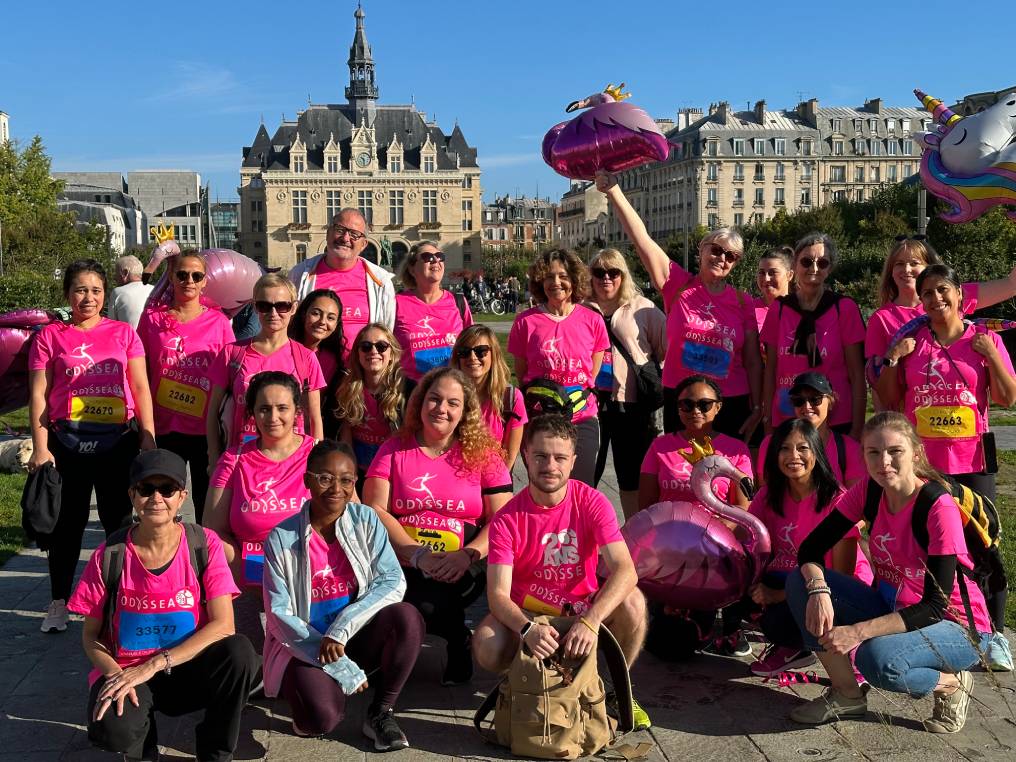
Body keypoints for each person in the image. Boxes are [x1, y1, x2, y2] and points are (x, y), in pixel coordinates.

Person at [785, 413, 995, 733]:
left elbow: (934, 606)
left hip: (958, 626)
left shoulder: (938, 507)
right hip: (895, 607)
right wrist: (818, 590)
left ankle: (952, 684)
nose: (884, 461)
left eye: (895, 451)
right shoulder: (869, 491)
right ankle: (847, 695)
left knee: (877, 660)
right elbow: (810, 549)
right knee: (800, 581)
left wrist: (857, 632)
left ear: (915, 452)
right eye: (873, 452)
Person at [67, 449, 256, 762]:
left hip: (186, 667)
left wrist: (155, 663)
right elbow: (91, 636)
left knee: (240, 653)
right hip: (128, 671)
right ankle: (142, 747)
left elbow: (224, 625)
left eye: (166, 489)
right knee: (111, 729)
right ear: (132, 495)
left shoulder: (203, 543)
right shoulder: (109, 555)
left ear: (182, 497)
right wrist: (116, 675)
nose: (156, 498)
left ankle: (215, 751)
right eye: (146, 488)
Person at [472, 414, 651, 731]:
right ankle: (524, 682)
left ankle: (613, 688)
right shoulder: (507, 518)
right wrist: (527, 629)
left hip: (582, 610)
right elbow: (498, 595)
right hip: (530, 614)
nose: (549, 466)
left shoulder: (592, 502)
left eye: (559, 458)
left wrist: (592, 620)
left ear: (573, 462)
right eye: (540, 456)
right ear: (526, 456)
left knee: (633, 603)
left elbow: (626, 570)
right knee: (486, 641)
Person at [262, 440, 425, 751]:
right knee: (320, 721)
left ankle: (380, 713)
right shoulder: (282, 538)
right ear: (308, 480)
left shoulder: (366, 519)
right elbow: (280, 617)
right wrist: (341, 668)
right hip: (307, 647)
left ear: (355, 482)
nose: (336, 488)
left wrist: (341, 630)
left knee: (407, 617)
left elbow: (393, 580)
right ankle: (315, 694)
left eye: (346, 479)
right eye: (325, 478)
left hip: (352, 637)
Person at [28, 259, 156, 635]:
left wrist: (147, 434)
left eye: (96, 290)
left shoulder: (123, 334)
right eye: (80, 290)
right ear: (68, 293)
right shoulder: (50, 337)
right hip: (66, 442)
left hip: (117, 440)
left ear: (106, 295)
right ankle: (58, 602)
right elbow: (38, 393)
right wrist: (40, 447)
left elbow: (141, 387)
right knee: (67, 524)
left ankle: (116, 599)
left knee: (118, 523)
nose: (88, 297)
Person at [363, 367, 513, 685]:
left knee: (428, 603)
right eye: (434, 399)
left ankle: (453, 639)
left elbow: (503, 520)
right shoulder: (394, 448)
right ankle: (451, 635)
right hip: (404, 557)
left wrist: (469, 555)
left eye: (452, 403)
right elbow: (374, 507)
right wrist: (416, 554)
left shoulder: (484, 455)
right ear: (420, 402)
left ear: (465, 411)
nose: (441, 409)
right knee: (416, 601)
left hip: (463, 559)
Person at [595, 170, 762, 441]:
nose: (722, 258)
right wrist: (614, 191)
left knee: (726, 476)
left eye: (730, 256)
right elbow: (643, 241)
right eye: (716, 250)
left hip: (730, 401)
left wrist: (757, 407)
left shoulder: (743, 302)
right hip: (682, 398)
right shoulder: (678, 285)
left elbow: (754, 362)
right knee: (679, 473)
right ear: (702, 250)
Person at [877, 264, 1016, 502]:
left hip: (973, 462)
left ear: (959, 293)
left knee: (979, 535)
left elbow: (1007, 399)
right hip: (922, 462)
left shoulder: (986, 340)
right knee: (925, 535)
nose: (936, 298)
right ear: (921, 300)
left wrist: (992, 356)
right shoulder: (909, 343)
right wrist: (893, 357)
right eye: (928, 293)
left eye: (943, 289)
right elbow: (890, 398)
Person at [745, 419, 871, 678]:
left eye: (802, 448)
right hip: (790, 578)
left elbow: (842, 577)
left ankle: (852, 652)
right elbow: (746, 541)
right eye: (784, 448)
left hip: (834, 589)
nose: (793, 456)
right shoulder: (768, 496)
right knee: (743, 588)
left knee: (778, 616)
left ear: (816, 452)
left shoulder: (837, 499)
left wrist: (777, 595)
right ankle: (794, 649)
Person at [639, 375, 754, 657]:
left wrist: (706, 540)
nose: (695, 412)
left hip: (714, 550)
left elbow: (744, 510)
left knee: (689, 631)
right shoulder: (660, 447)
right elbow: (646, 506)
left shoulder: (735, 451)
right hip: (668, 550)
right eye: (686, 405)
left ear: (718, 407)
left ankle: (729, 623)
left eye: (704, 404)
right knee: (665, 642)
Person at [204, 372, 315, 652]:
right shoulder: (234, 459)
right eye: (264, 409)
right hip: (250, 576)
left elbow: (351, 520)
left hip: (310, 576)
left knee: (305, 661)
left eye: (282, 408)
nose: (273, 417)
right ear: (252, 413)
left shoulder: (320, 455)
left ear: (297, 412)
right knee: (247, 657)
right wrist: (244, 569)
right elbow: (212, 530)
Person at [137, 251, 235, 520]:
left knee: (207, 501)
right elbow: (138, 371)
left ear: (205, 282)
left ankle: (204, 555)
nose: (188, 281)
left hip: (207, 428)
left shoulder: (219, 322)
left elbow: (229, 374)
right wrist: (143, 426)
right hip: (165, 426)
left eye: (196, 276)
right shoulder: (152, 320)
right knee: (165, 498)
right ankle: (170, 553)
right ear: (171, 277)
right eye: (182, 274)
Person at [865, 235, 1016, 405]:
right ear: (890, 271)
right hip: (910, 415)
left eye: (914, 263)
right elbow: (876, 375)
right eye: (899, 264)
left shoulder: (948, 296)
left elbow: (1011, 284)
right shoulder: (880, 318)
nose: (906, 269)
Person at [508, 248, 608, 486]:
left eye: (563, 276)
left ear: (574, 279)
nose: (556, 282)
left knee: (581, 486)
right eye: (549, 276)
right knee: (544, 486)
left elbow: (590, 375)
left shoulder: (592, 320)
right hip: (540, 417)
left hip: (582, 417)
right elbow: (523, 374)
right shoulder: (525, 322)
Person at [206, 273, 325, 466]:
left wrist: (318, 462)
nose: (273, 313)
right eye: (264, 306)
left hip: (293, 462)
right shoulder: (232, 353)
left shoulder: (306, 358)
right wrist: (213, 457)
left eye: (282, 306)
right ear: (255, 307)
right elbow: (211, 413)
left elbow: (314, 418)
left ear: (294, 307)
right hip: (242, 457)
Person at [586, 248, 667, 518]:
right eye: (599, 273)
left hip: (631, 405)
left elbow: (666, 348)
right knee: (586, 474)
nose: (606, 278)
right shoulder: (581, 309)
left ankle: (635, 534)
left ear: (623, 275)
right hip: (590, 403)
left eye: (613, 272)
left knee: (631, 476)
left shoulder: (642, 309)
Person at [761, 233, 866, 439]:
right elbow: (770, 370)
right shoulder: (779, 310)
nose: (814, 268)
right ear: (795, 266)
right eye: (807, 261)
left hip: (835, 420)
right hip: (788, 415)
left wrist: (857, 428)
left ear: (830, 269)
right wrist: (767, 423)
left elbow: (856, 375)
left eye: (823, 263)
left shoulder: (844, 308)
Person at [289, 208, 396, 358]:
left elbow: (387, 333)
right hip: (311, 373)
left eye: (354, 234)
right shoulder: (299, 275)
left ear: (364, 244)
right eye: (340, 229)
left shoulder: (380, 282)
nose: (346, 238)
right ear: (328, 233)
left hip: (358, 376)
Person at [756, 372, 864, 489]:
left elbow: (855, 502)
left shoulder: (849, 449)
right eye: (799, 400)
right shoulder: (770, 444)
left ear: (831, 402)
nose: (807, 406)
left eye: (815, 399)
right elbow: (766, 495)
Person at [335, 323, 408, 492]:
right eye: (366, 347)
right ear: (358, 354)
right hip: (358, 471)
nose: (374, 352)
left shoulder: (407, 390)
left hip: (393, 474)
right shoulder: (347, 388)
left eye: (381, 346)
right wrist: (349, 474)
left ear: (391, 354)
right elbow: (346, 435)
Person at [393, 240, 472, 388]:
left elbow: (471, 346)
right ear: (411, 269)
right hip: (408, 392)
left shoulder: (458, 302)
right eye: (427, 257)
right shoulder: (396, 303)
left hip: (451, 391)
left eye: (440, 256)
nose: (435, 260)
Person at [453, 324, 527, 471]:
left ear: (494, 355)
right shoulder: (448, 397)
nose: (472, 357)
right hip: (454, 480)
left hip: (494, 481)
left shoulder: (511, 399)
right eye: (464, 352)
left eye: (481, 351)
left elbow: (509, 458)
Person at [288, 288, 346, 439]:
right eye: (316, 313)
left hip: (312, 435)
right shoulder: (284, 348)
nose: (322, 322)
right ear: (303, 314)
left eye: (331, 318)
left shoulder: (333, 360)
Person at [754, 245, 795, 334]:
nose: (766, 279)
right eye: (761, 272)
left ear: (790, 275)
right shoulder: (749, 309)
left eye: (773, 273)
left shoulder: (800, 310)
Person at [108, 254, 154, 329]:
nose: (114, 277)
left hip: (130, 340)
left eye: (116, 273)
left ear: (125, 273)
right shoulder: (155, 290)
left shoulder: (117, 292)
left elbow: (112, 326)